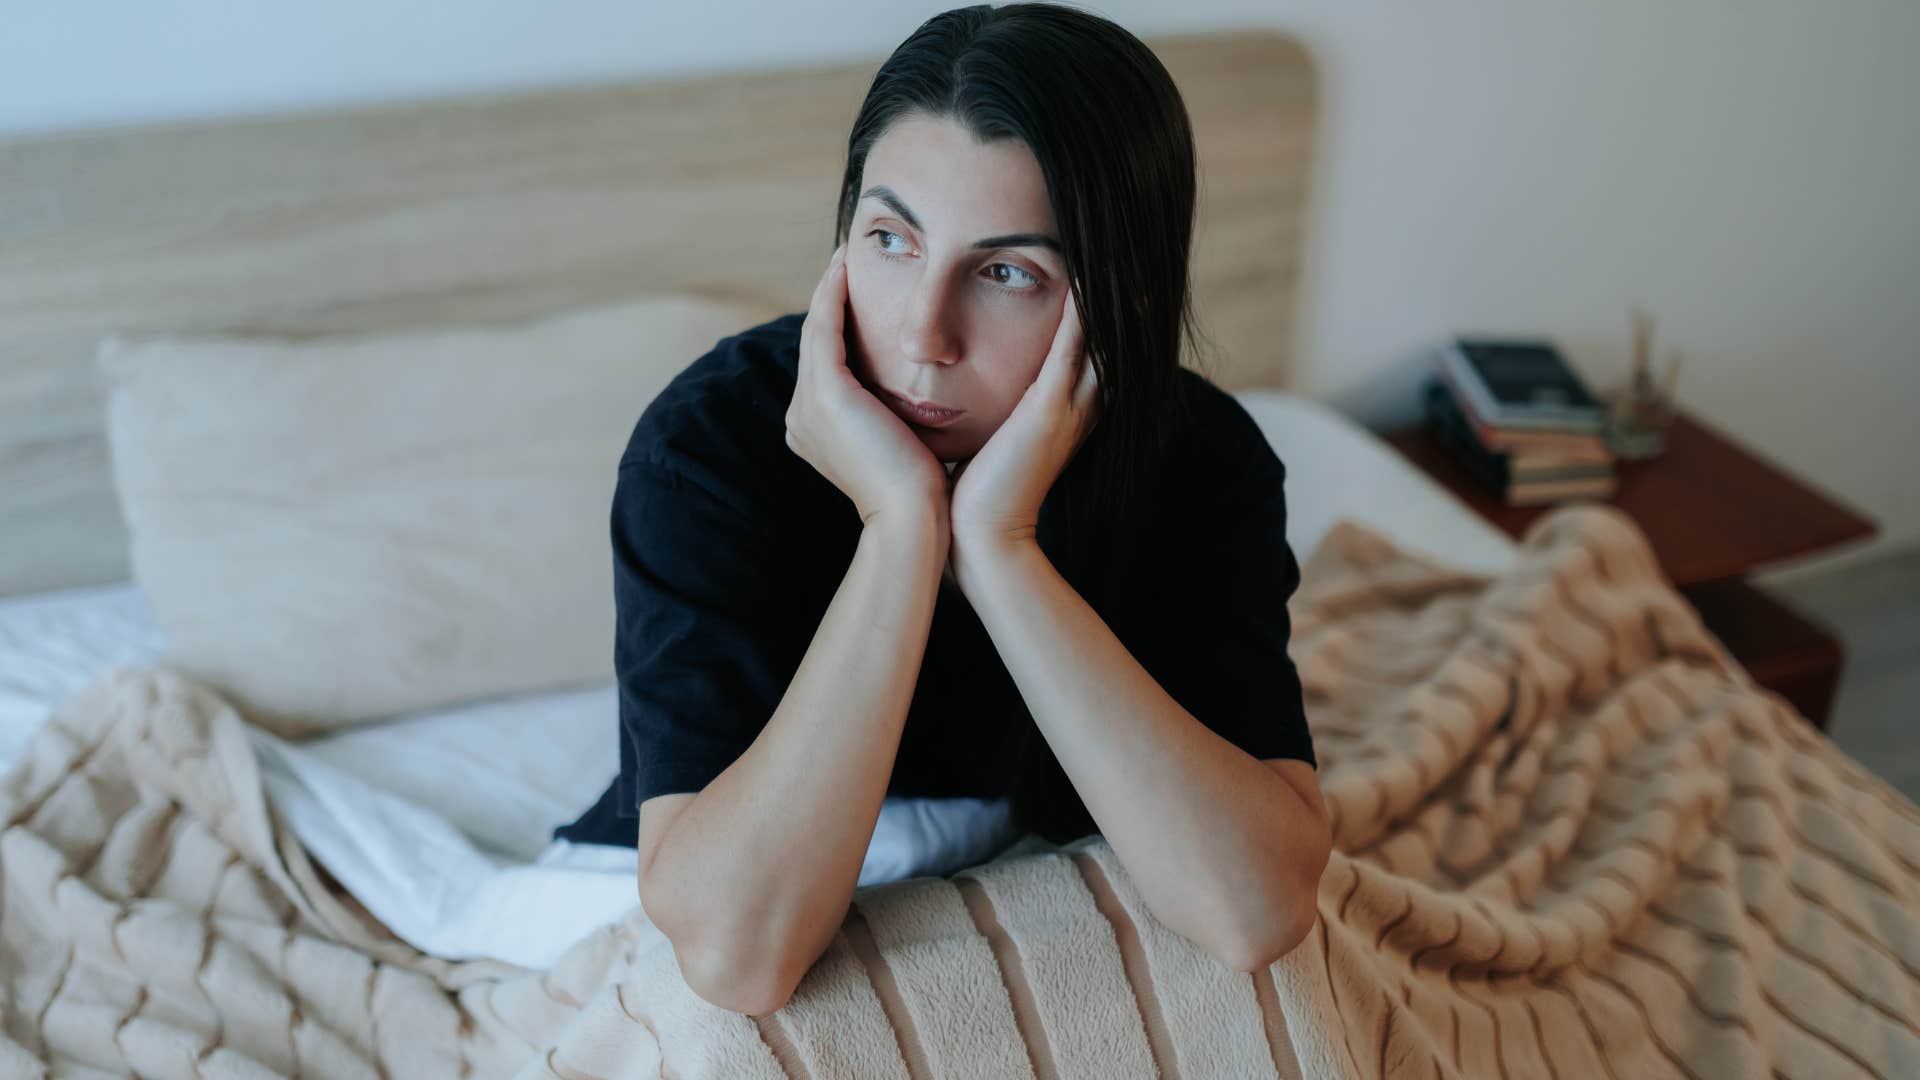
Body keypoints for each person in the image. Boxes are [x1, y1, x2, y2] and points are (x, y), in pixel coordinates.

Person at [550, 2, 1331, 1015]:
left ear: (1122, 295)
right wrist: (901, 526)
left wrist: (1000, 548)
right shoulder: (708, 449)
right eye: (891, 239)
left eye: (1006, 273)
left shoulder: (1201, 459)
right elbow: (740, 962)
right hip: (729, 864)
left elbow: (1254, 912)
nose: (924, 335)